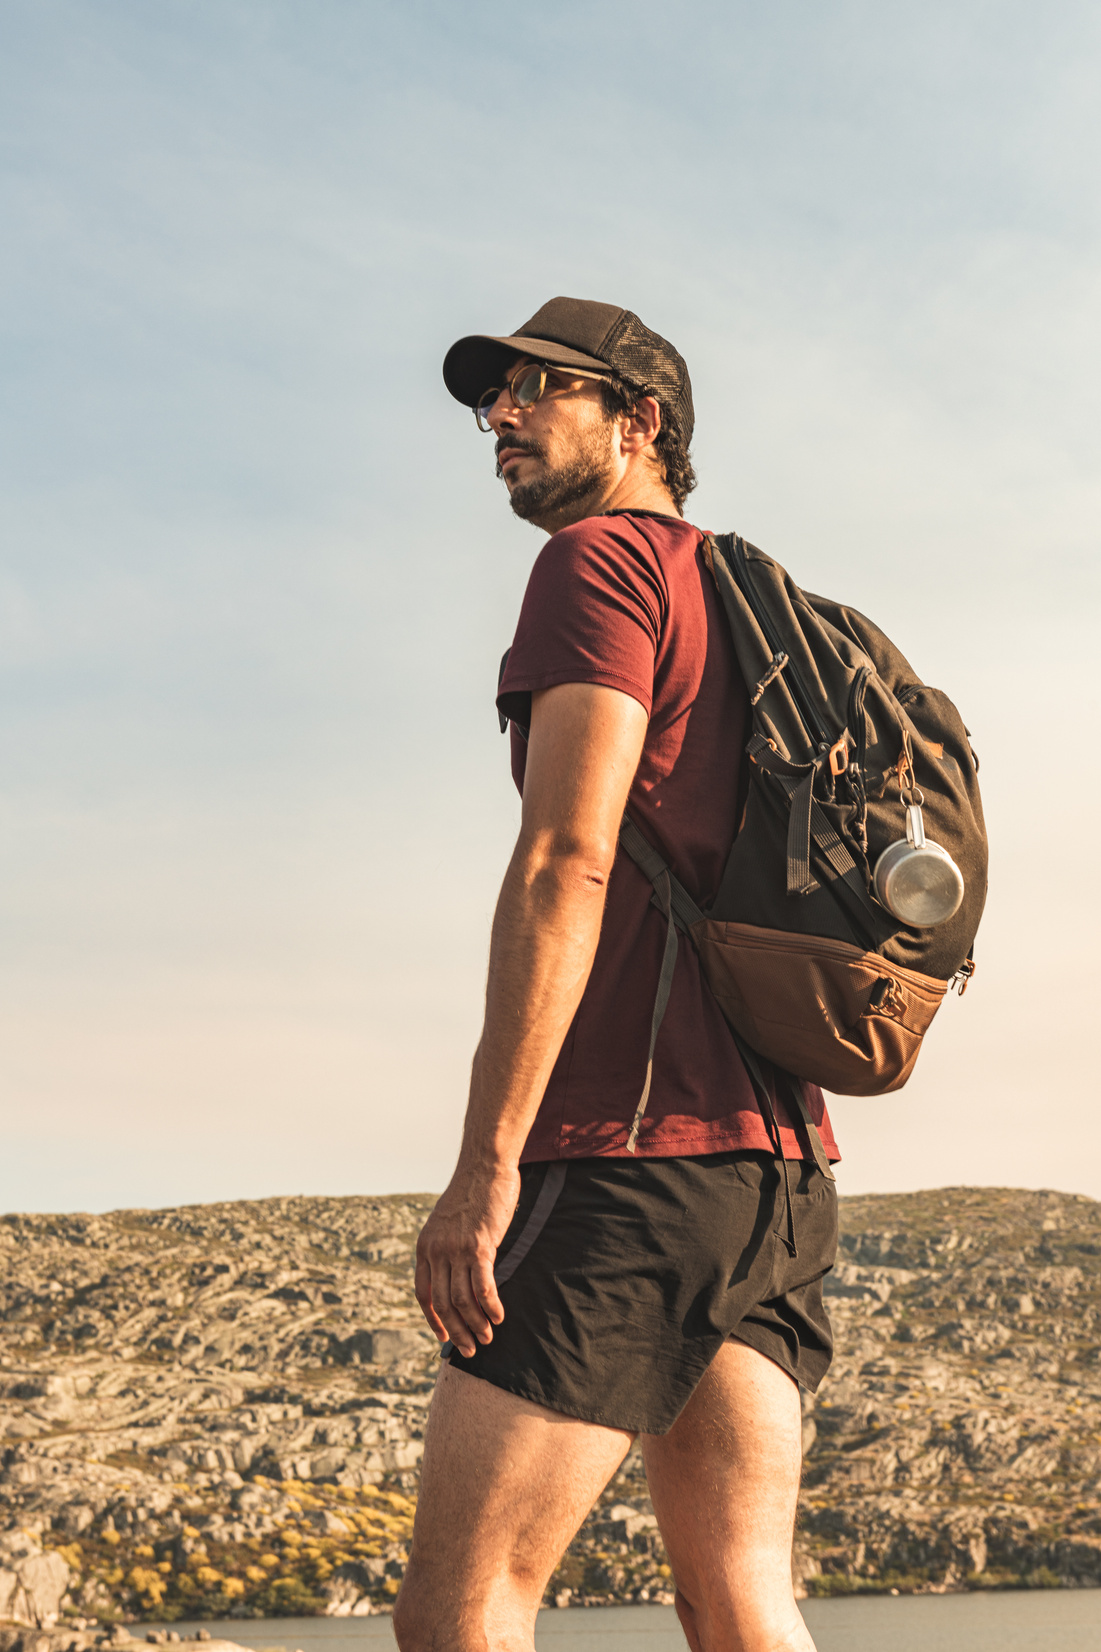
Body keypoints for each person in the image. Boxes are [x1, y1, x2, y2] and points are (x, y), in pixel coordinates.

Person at [394, 298, 839, 1652]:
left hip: (630, 1158)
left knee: (462, 1607)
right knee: (737, 1599)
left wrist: (488, 1167)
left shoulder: (601, 566)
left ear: (639, 420)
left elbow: (564, 860)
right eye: (493, 398)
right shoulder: (764, 608)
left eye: (539, 389)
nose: (502, 418)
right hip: (773, 1170)